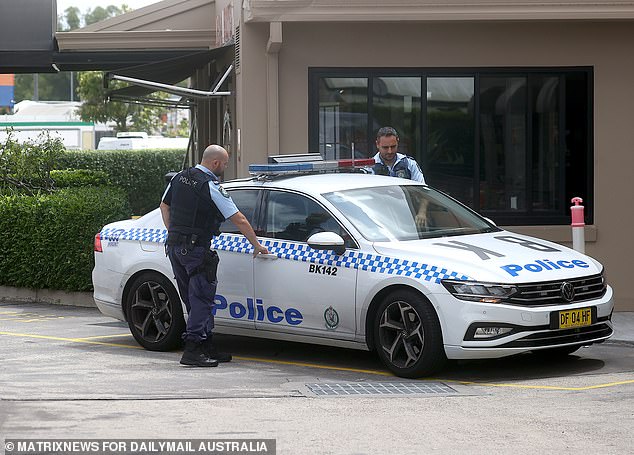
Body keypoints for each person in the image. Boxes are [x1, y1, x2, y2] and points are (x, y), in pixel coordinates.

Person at [160, 144, 269, 367]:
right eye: (226, 163)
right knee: (202, 299)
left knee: (193, 299)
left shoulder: (179, 177)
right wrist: (256, 244)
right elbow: (238, 219)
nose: (225, 167)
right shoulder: (209, 185)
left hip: (175, 248)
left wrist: (174, 232)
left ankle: (206, 345)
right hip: (196, 249)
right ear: (215, 163)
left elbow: (164, 206)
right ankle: (192, 350)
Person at [371, 126, 429, 226]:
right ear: (377, 144)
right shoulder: (369, 167)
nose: (389, 151)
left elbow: (423, 191)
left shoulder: (409, 164)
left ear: (398, 142)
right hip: (380, 221)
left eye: (393, 147)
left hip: (408, 217)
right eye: (385, 148)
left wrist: (422, 213)